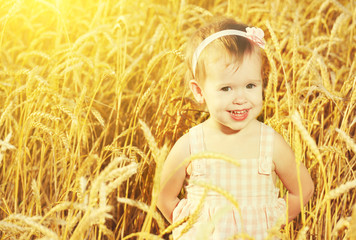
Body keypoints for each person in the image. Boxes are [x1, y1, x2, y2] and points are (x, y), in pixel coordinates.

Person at [157, 17, 314, 239]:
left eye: (250, 85)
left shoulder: (270, 143)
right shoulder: (190, 146)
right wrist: (189, 227)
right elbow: (164, 197)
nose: (240, 98)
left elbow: (302, 189)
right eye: (226, 88)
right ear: (199, 91)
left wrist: (273, 221)